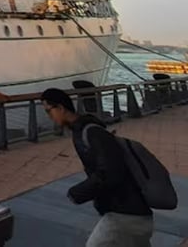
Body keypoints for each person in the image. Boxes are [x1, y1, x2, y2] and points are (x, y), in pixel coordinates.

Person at [41, 88, 153, 246]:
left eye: (48, 111)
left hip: (125, 214)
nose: (49, 116)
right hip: (130, 212)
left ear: (60, 108)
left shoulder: (92, 132)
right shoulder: (82, 131)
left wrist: (78, 192)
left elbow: (111, 172)